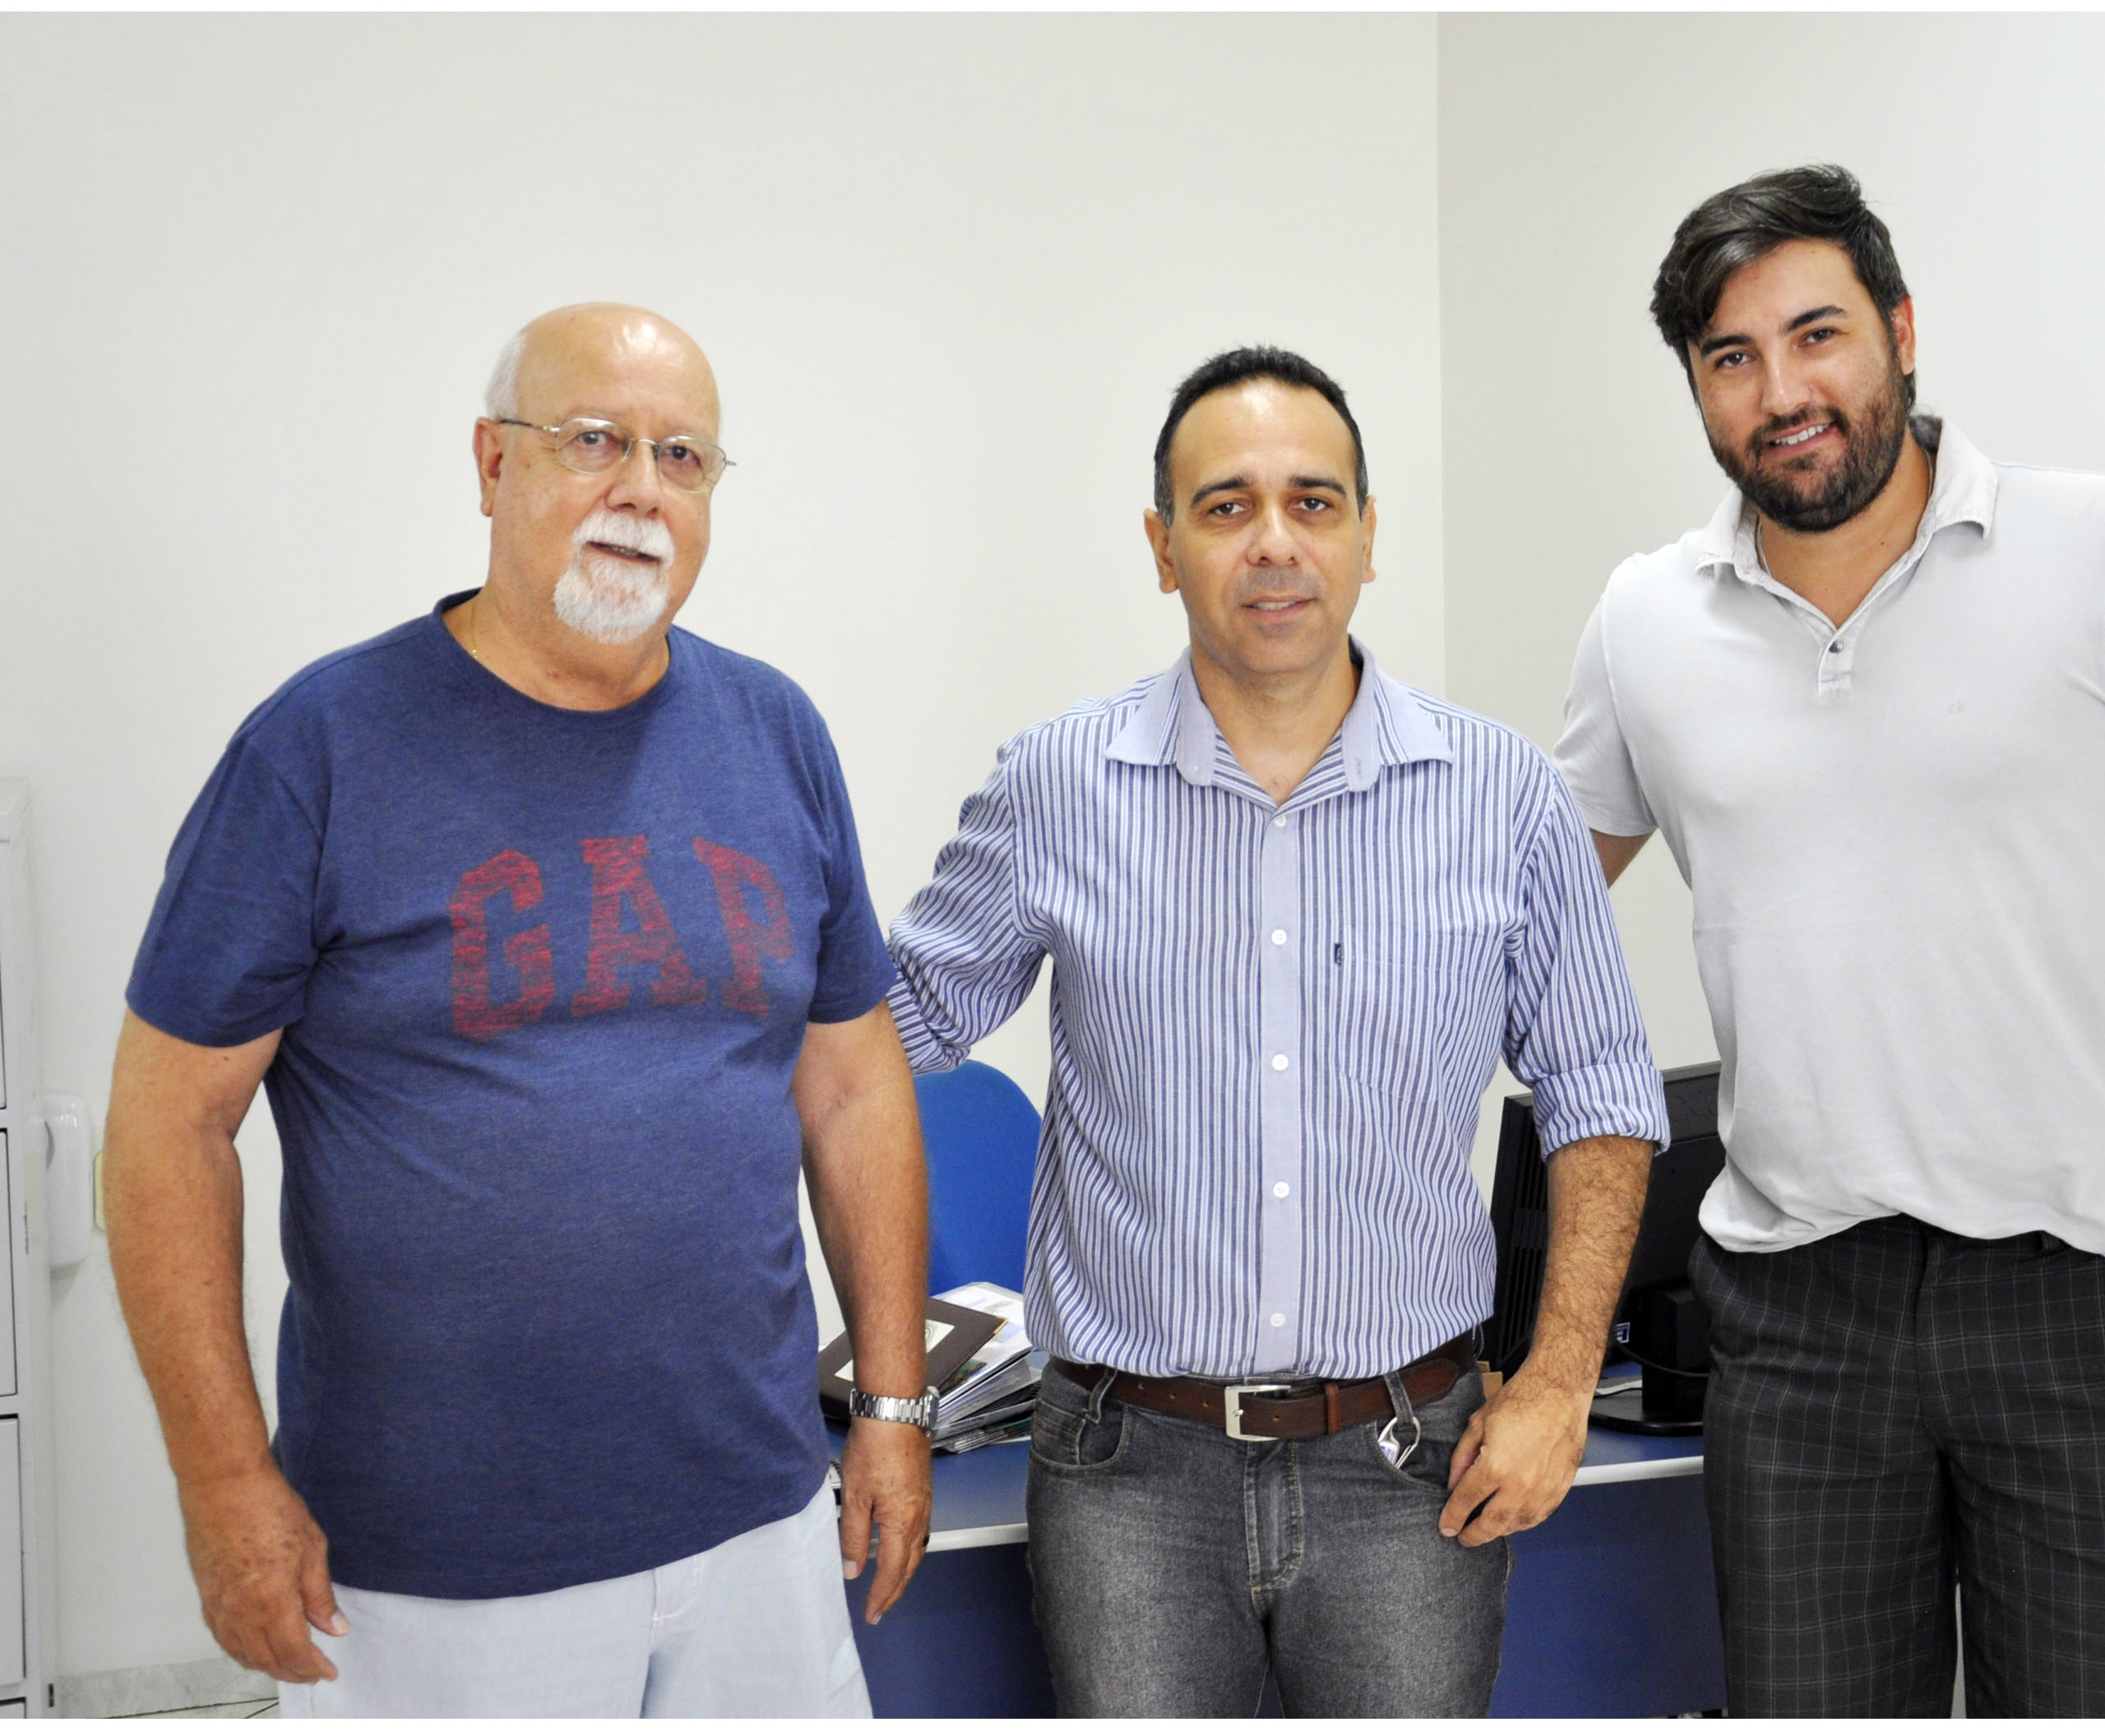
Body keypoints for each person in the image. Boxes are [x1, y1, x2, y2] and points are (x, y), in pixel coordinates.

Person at [1557, 165, 2105, 1717]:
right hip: (1793, 1326)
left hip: (2080, 1297)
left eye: (1818, 335)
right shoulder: (1644, 621)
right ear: (1694, 388)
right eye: (1731, 359)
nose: (1783, 391)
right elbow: (1517, 925)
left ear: (1899, 328)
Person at [105, 303, 935, 1717]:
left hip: (755, 1521)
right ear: (492, 464)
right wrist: (224, 1478)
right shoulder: (319, 749)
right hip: (434, 1567)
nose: (639, 489)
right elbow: (166, 1128)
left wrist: (894, 1411)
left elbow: (852, 1085)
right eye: (593, 441)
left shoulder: (774, 733)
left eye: (682, 455)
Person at [883, 346, 1666, 1715]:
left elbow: (1601, 1089)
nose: (1274, 544)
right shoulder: (1059, 785)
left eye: (1314, 502)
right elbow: (892, 1030)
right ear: (1162, 546)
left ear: (1369, 536)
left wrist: (1558, 1381)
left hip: (1410, 1467)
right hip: (1125, 1471)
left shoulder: (1503, 797)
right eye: (1226, 505)